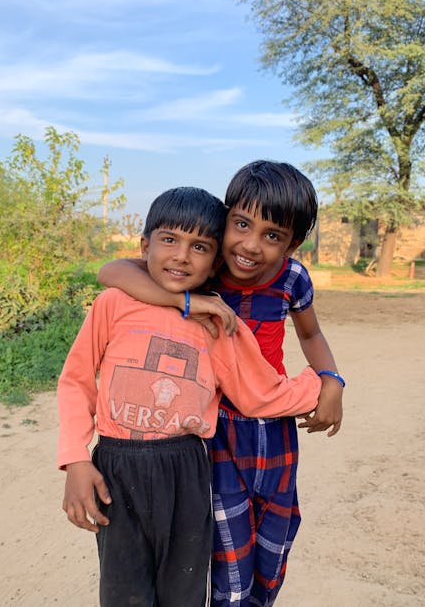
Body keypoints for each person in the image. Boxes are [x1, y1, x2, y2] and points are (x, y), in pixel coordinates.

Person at [58, 186, 324, 607]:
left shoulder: (214, 319)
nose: (181, 256)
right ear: (145, 245)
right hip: (115, 467)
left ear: (215, 260)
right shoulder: (113, 305)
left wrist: (321, 385)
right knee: (123, 593)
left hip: (188, 470)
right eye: (169, 240)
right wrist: (75, 457)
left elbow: (255, 392)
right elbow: (76, 381)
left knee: (183, 592)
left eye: (199, 246)